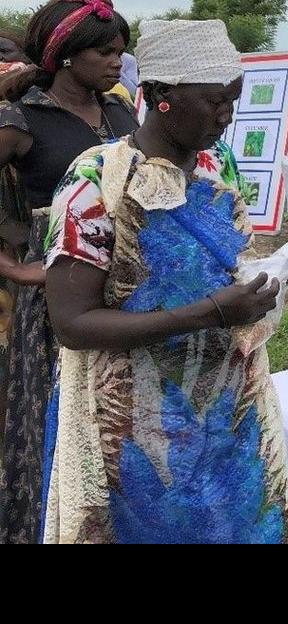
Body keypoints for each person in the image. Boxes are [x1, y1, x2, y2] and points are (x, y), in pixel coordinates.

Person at [41, 18, 288, 544]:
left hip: (227, 415)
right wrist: (211, 313)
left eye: (233, 99)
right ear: (159, 95)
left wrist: (280, 273)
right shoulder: (98, 179)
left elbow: (223, 265)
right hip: (130, 426)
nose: (227, 115)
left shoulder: (218, 168)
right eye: (214, 100)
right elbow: (73, 323)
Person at [0, 0, 138, 544]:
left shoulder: (120, 113)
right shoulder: (22, 120)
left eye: (120, 51)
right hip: (58, 296)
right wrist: (13, 268)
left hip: (121, 287)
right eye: (104, 52)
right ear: (64, 55)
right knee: (56, 421)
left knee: (114, 419)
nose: (116, 62)